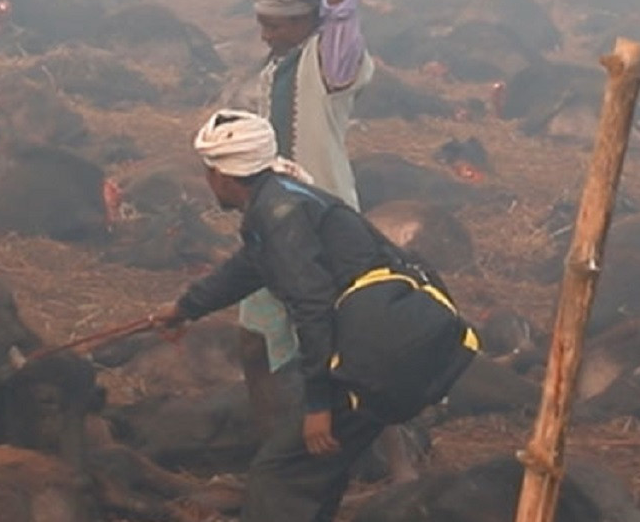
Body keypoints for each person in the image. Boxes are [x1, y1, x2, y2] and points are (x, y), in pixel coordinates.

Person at [153, 110, 479, 522]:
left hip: (375, 352)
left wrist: (319, 406)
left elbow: (313, 309)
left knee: (278, 474)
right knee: (315, 471)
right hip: (394, 338)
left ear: (221, 175)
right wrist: (186, 308)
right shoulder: (282, 196)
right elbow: (251, 265)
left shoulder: (279, 215)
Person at [233, 0, 383, 440]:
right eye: (262, 23)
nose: (266, 34)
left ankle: (394, 458)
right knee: (255, 342)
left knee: (349, 350)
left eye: (275, 25)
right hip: (275, 220)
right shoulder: (289, 46)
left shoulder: (333, 59)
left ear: (309, 21)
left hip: (323, 223)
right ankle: (280, 442)